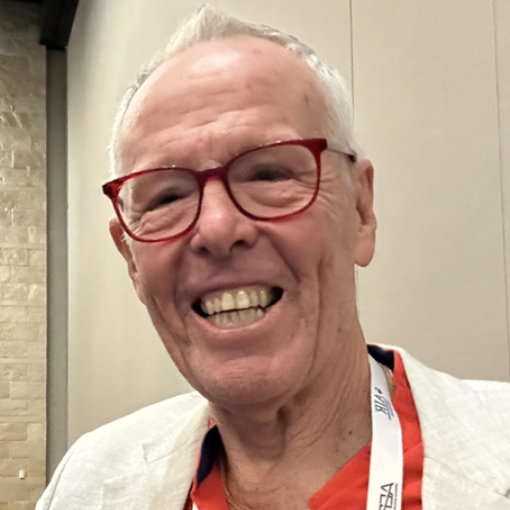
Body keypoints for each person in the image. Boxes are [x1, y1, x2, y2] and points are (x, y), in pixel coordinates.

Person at [37, 5, 510, 510]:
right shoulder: (86, 481)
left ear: (360, 211)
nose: (216, 229)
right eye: (166, 197)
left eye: (269, 174)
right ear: (132, 261)